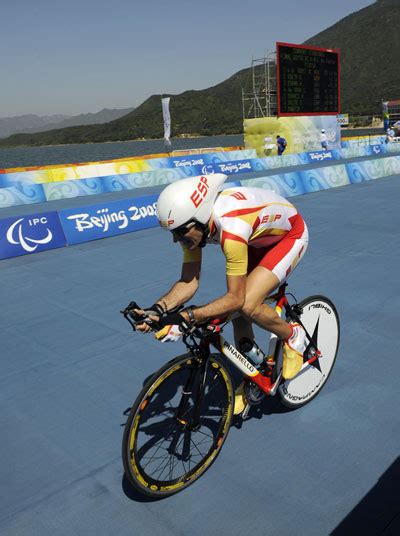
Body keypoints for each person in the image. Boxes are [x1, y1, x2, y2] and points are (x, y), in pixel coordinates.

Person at [134, 173, 309, 414]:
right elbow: (188, 282)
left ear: (200, 220)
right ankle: (253, 374)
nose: (176, 240)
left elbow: (236, 299)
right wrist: (158, 311)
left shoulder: (232, 228)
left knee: (246, 305)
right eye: (172, 233)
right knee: (239, 317)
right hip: (255, 240)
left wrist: (188, 317)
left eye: (180, 232)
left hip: (288, 238)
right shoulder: (196, 227)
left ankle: (293, 336)